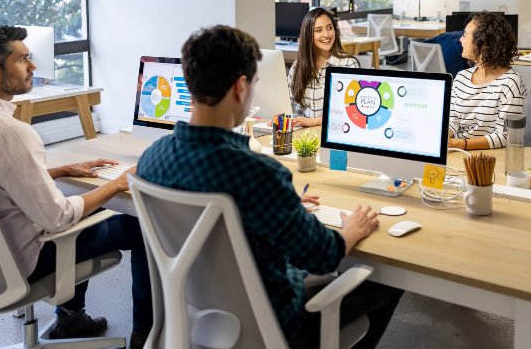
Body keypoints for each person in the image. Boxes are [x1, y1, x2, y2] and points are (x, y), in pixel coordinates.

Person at [137, 25, 403, 348]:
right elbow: (323, 255)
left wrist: (284, 211)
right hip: (277, 327)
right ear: (240, 87)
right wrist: (353, 228)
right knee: (389, 278)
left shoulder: (151, 161)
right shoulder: (258, 173)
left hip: (197, 320)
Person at [0, 23, 152, 349]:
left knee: (86, 198)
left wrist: (58, 171)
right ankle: (144, 335)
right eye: (23, 60)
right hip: (25, 262)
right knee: (139, 222)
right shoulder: (11, 134)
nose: (33, 67)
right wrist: (117, 183)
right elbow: (58, 219)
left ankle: (71, 318)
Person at [448, 12, 526, 150]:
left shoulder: (509, 82)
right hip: (460, 152)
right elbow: (453, 121)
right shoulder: (461, 77)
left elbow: (505, 136)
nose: (460, 39)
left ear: (482, 44)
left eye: (465, 35)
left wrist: (462, 144)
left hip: (492, 156)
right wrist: (444, 137)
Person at [288, 7, 359, 127]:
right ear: (308, 35)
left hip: (334, 132)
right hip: (303, 136)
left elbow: (353, 113)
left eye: (329, 28)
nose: (326, 34)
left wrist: (314, 122)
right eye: (318, 30)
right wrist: (279, 118)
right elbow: (286, 103)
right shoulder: (298, 66)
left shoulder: (348, 64)